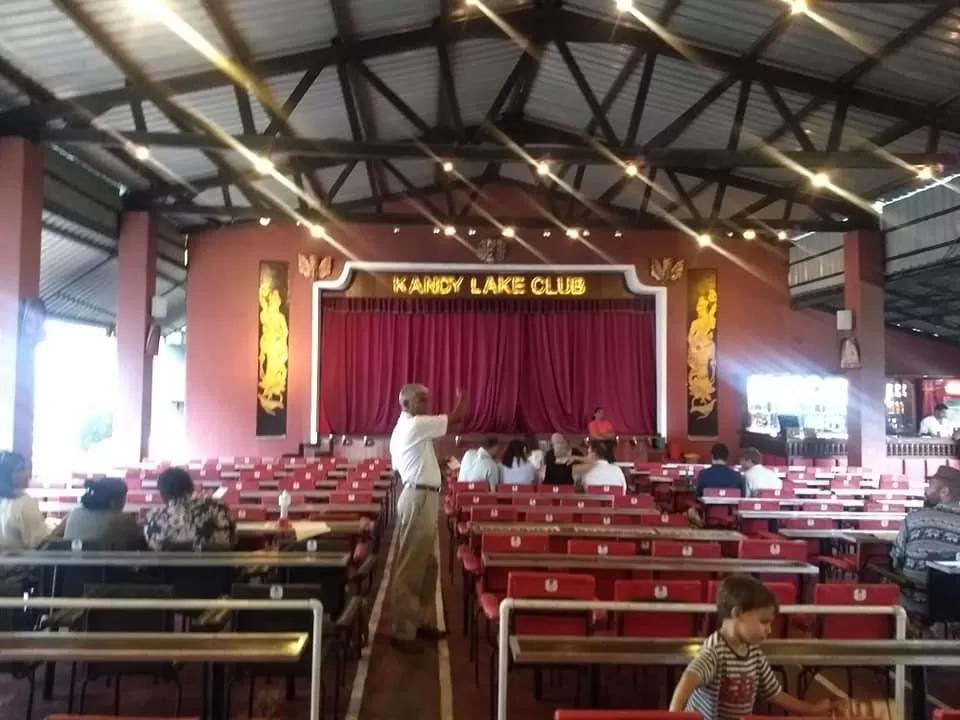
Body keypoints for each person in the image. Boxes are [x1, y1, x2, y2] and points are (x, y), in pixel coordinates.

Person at [669, 574, 836, 720]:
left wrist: (813, 710)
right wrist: (674, 716)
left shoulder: (753, 651)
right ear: (737, 614)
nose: (769, 630)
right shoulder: (715, 652)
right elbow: (688, 678)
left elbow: (775, 693)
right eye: (763, 621)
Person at [389, 383, 467, 653]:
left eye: (427, 400)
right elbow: (456, 417)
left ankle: (420, 620)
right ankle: (403, 631)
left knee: (428, 564)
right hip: (419, 498)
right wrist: (463, 396)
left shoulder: (406, 429)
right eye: (421, 400)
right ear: (406, 404)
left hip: (420, 495)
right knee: (411, 566)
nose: (426, 405)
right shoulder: (414, 425)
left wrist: (436, 466)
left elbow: (409, 464)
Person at [890, 465, 960, 620]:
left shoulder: (914, 518)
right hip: (952, 609)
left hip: (911, 604)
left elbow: (896, 559)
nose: (926, 490)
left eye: (930, 486)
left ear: (945, 491)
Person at [143, 467, 237, 551]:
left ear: (163, 494)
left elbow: (153, 547)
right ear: (191, 488)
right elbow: (232, 541)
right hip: (217, 564)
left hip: (169, 565)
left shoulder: (153, 516)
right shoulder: (218, 506)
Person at [61, 478, 146, 550]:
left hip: (68, 563)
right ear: (113, 502)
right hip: (103, 564)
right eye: (124, 498)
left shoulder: (75, 513)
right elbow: (143, 540)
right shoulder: (122, 520)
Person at [0, 451, 48, 552]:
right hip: (23, 561)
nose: (27, 473)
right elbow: (42, 544)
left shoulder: (4, 500)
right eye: (20, 470)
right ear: (7, 475)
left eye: (26, 468)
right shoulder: (24, 502)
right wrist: (64, 525)